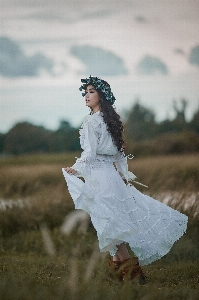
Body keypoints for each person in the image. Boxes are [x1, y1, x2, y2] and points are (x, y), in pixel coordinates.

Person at [62, 76, 188, 284]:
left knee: (112, 226)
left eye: (91, 91)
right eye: (85, 92)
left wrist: (75, 169)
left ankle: (134, 275)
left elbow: (90, 153)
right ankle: (115, 274)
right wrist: (122, 175)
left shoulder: (92, 121)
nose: (86, 95)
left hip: (100, 179)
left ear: (101, 96)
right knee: (113, 224)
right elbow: (119, 155)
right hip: (111, 177)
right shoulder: (111, 121)